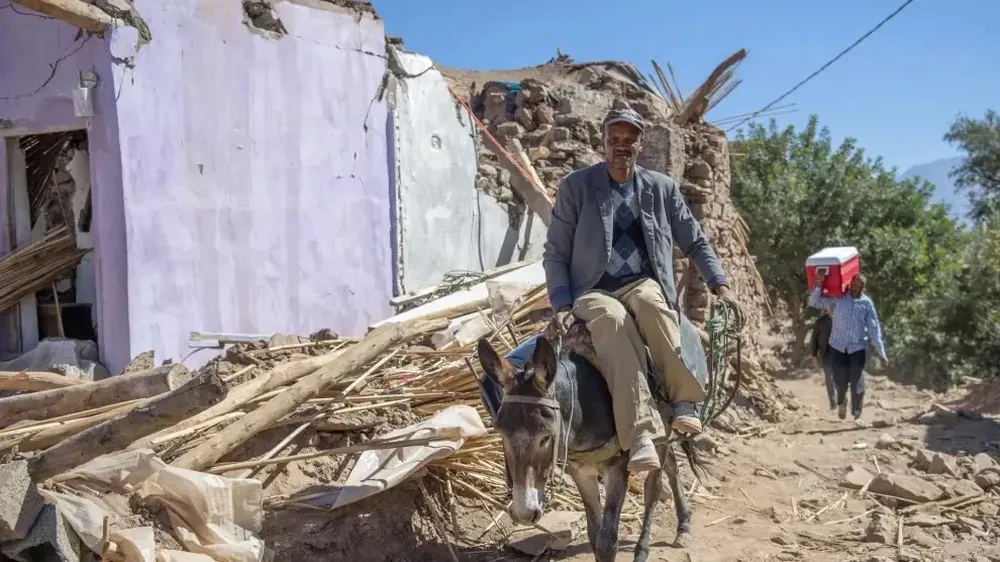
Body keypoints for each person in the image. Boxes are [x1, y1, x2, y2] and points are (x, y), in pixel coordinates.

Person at [543, 105, 745, 473]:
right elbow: (555, 252)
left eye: (629, 139)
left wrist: (721, 285)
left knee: (652, 305)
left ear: (641, 143)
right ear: (602, 143)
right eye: (614, 138)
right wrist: (560, 302)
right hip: (593, 290)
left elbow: (696, 243)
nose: (621, 145)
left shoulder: (661, 189)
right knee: (613, 319)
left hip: (643, 284)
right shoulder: (577, 187)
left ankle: (684, 402)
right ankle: (639, 436)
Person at [808, 273, 888, 422]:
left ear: (864, 287)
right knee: (839, 381)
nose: (856, 288)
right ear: (850, 284)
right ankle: (842, 402)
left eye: (860, 286)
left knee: (857, 381)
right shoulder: (838, 298)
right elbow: (815, 302)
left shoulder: (866, 304)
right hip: (837, 347)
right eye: (855, 285)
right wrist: (819, 283)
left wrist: (881, 353)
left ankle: (857, 414)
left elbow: (874, 328)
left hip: (857, 348)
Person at [808, 308, 836, 411]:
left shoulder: (844, 321)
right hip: (826, 355)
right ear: (826, 308)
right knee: (829, 377)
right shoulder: (820, 322)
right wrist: (814, 357)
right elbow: (814, 340)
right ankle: (833, 404)